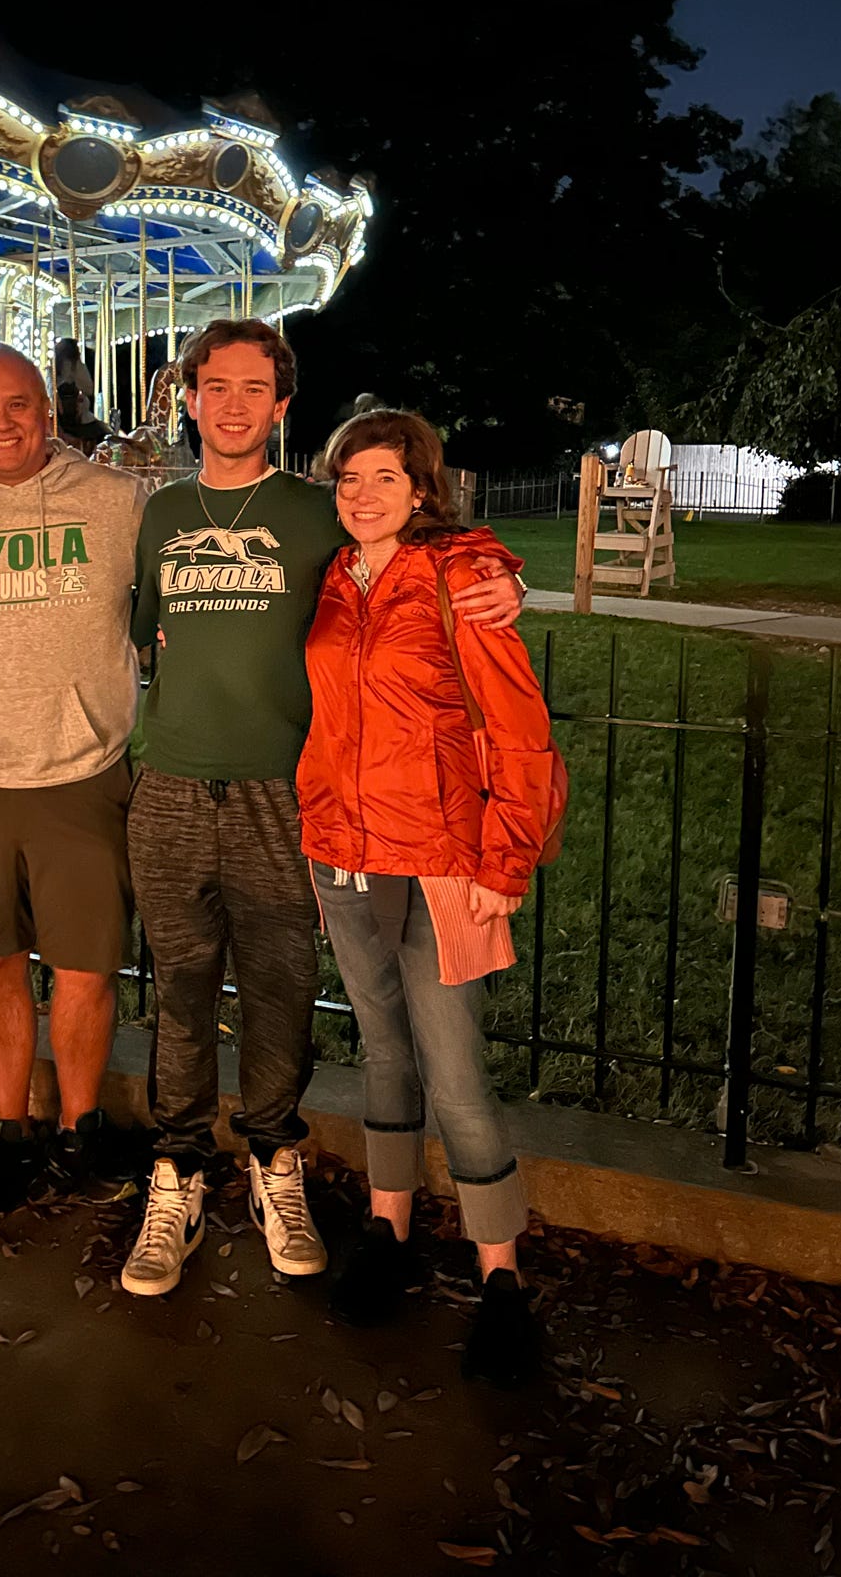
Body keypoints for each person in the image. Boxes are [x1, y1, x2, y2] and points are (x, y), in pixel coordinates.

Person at [122, 320, 521, 1298]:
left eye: (254, 388)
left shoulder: (317, 513)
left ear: (282, 404)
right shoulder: (162, 513)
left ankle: (273, 1161)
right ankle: (174, 1175)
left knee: (279, 992)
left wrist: (507, 575)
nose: (232, 404)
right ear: (188, 395)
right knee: (178, 990)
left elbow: (426, 543)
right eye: (214, 386)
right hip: (171, 781)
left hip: (285, 793)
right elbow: (146, 634)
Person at [297, 409, 550, 1386]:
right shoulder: (332, 579)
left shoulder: (458, 581)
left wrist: (503, 867)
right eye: (347, 479)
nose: (360, 496)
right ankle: (389, 1231)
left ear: (422, 491)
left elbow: (520, 737)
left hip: (443, 861)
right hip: (347, 857)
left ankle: (501, 1280)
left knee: (456, 1077)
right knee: (384, 1053)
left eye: (382, 480)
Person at [0, 345, 148, 1214]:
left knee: (87, 965)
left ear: (47, 412)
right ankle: (12, 1132)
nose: (2, 423)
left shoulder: (114, 503)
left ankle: (82, 1129)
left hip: (80, 769)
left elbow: (208, 579)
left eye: (18, 404)